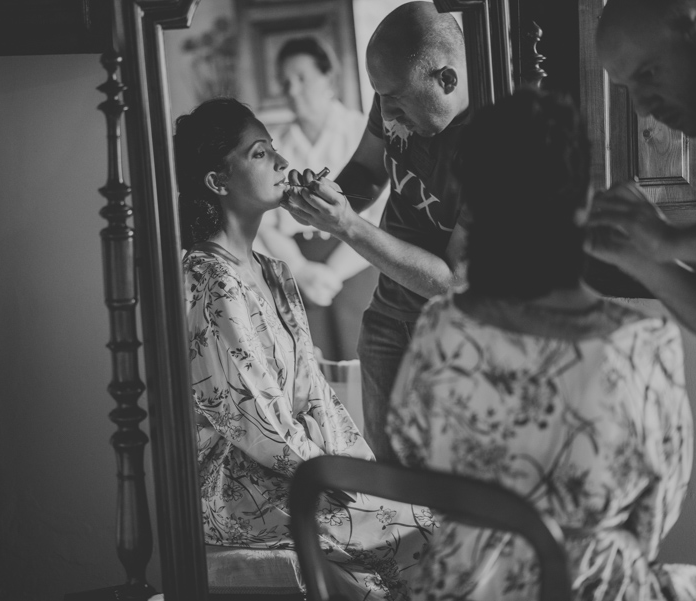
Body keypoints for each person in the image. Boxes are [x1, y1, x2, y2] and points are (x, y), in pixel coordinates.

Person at [385, 87, 696, 601]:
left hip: (462, 586)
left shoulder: (439, 328)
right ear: (583, 200)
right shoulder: (642, 345)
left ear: (476, 209)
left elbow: (411, 450)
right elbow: (655, 516)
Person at [175, 97, 432, 601]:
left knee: (426, 519)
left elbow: (316, 394)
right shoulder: (208, 280)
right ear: (217, 181)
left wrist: (361, 468)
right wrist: (336, 475)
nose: (282, 163)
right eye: (258, 153)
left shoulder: (274, 271)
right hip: (242, 488)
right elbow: (256, 422)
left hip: (307, 473)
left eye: (274, 148)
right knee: (426, 530)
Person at [587, 0, 696, 596]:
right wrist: (646, 261)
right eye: (626, 88)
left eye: (649, 74)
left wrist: (669, 236)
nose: (641, 105)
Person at [284, 1, 470, 463]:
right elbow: (367, 170)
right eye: (379, 96)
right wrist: (325, 199)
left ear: (446, 80)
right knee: (394, 487)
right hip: (386, 322)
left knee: (449, 488)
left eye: (396, 100)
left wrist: (346, 225)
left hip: (453, 338)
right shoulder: (393, 95)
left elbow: (451, 280)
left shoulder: (494, 143)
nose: (386, 112)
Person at [255, 36, 383, 361]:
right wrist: (299, 268)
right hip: (296, 275)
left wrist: (333, 272)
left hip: (356, 265)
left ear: (328, 78)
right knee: (308, 368)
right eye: (285, 82)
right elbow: (264, 222)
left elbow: (381, 213)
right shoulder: (274, 146)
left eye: (302, 78)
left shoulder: (362, 133)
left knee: (360, 361)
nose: (292, 90)